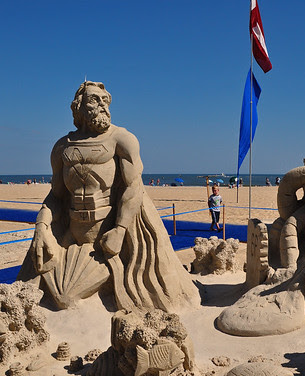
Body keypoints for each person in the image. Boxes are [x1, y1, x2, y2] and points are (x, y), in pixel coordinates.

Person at [19, 81, 199, 312]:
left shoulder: (121, 139)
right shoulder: (62, 147)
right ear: (78, 106)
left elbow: (133, 187)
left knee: (65, 294)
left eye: (105, 100)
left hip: (105, 237)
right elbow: (56, 195)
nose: (102, 105)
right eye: (94, 99)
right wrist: (41, 226)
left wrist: (120, 230)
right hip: (72, 234)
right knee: (44, 286)